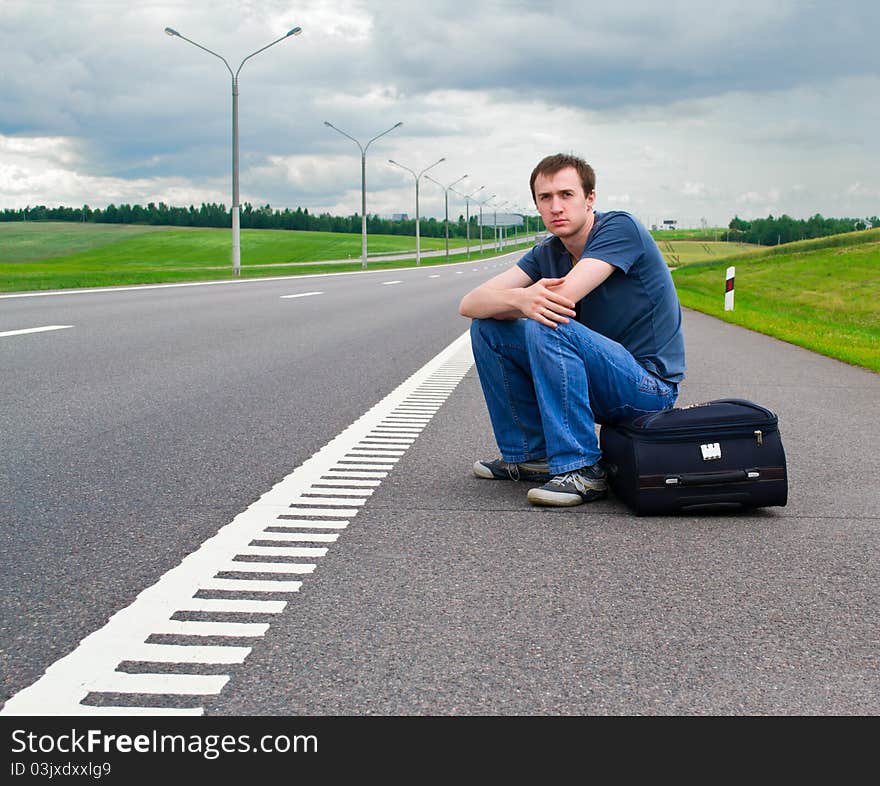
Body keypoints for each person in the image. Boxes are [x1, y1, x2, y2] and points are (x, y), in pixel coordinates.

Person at [458, 153, 685, 507]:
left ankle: (583, 468)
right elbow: (470, 303)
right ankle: (531, 455)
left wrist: (523, 301)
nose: (556, 207)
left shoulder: (619, 228)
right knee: (488, 328)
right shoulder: (547, 253)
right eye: (545, 198)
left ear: (589, 198)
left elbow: (560, 299)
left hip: (648, 388)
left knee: (547, 319)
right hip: (593, 380)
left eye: (566, 195)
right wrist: (519, 300)